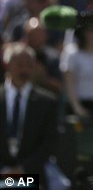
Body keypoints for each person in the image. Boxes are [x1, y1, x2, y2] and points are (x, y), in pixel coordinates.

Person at [0, 43, 59, 189]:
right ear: (7, 65)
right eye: (19, 64)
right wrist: (5, 172)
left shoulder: (47, 102)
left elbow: (48, 143)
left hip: (32, 175)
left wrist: (22, 170)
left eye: (29, 65)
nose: (24, 70)